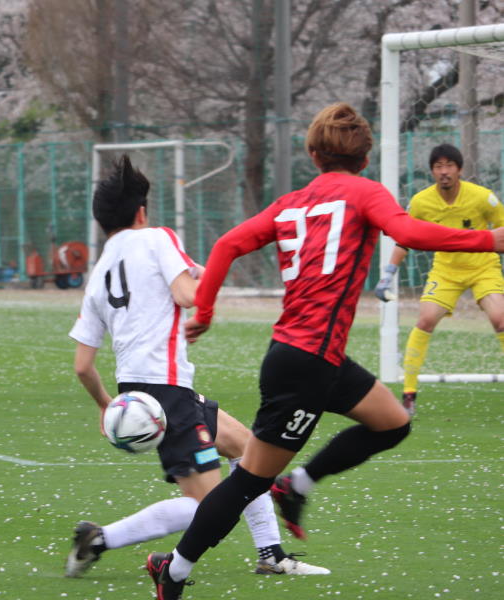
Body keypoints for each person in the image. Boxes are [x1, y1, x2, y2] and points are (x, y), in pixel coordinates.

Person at [145, 103, 504, 599]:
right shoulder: (366, 192)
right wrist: (490, 239)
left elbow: (226, 244)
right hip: (305, 366)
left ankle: (298, 487)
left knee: (393, 422)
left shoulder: (290, 202)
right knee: (248, 480)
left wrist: (204, 311)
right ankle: (174, 569)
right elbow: (411, 233)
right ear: (365, 157)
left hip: (316, 357)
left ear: (313, 155)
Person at [66, 155, 328, 580]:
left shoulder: (98, 273)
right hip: (166, 392)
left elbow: (82, 365)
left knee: (249, 451)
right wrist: (212, 283)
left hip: (141, 391)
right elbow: (188, 295)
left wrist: (105, 405)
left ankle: (271, 554)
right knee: (209, 506)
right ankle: (101, 538)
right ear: (141, 211)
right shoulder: (156, 238)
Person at [374, 143, 504, 416]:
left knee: (500, 318)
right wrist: (388, 274)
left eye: (449, 166)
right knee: (425, 320)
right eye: (438, 167)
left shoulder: (483, 198)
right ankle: (409, 394)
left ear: (460, 170)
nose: (444, 172)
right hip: (445, 271)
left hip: (483, 268)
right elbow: (404, 238)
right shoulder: (421, 202)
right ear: (432, 171)